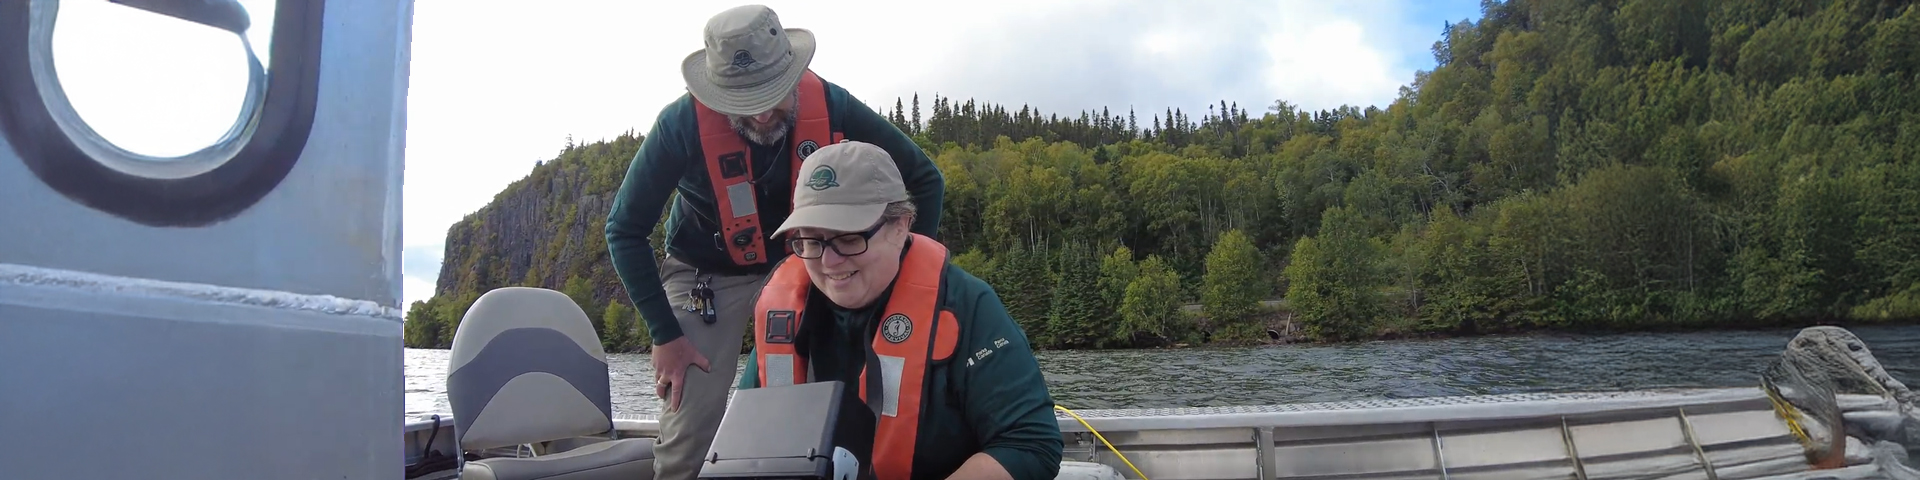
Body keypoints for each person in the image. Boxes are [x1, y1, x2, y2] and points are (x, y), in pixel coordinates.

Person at [603, 5, 945, 480]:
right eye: (742, 100)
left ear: (793, 71)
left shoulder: (835, 104)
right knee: (689, 419)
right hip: (704, 276)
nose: (762, 112)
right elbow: (623, 229)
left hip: (806, 263)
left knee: (840, 392)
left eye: (773, 93)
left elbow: (926, 180)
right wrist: (666, 335)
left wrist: (900, 273)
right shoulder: (678, 125)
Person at [737, 141, 1063, 480]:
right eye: (811, 240)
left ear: (901, 226)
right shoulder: (784, 314)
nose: (828, 261)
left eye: (849, 238)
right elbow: (745, 446)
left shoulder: (968, 305)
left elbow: (1031, 443)